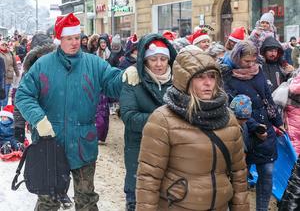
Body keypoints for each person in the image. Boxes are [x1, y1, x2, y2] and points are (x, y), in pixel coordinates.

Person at [15, 13, 138, 211]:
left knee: (87, 199)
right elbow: (23, 95)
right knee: (48, 201)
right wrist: (39, 119)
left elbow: (112, 84)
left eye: (76, 38)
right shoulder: (43, 66)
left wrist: (126, 75)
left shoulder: (93, 64)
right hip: (49, 144)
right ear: (60, 40)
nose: (74, 43)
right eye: (68, 38)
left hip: (83, 144)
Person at [136, 49, 249, 210]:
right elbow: (149, 178)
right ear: (185, 80)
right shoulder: (163, 120)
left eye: (212, 76)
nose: (208, 83)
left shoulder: (229, 119)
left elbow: (239, 175)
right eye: (200, 77)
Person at [222, 40, 283, 211]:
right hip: (244, 132)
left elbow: (267, 98)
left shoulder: (258, 71)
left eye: (253, 60)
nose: (250, 65)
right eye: (246, 61)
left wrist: (277, 121)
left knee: (268, 172)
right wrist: (255, 127)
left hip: (265, 127)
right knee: (240, 176)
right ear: (236, 58)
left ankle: (262, 209)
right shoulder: (227, 76)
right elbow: (232, 108)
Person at [120, 34, 177, 211]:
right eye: (153, 59)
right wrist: (165, 121)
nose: (159, 64)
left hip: (172, 157)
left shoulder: (178, 83)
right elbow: (129, 117)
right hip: (140, 153)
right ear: (145, 61)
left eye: (163, 59)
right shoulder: (133, 81)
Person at [0, 41, 20, 108]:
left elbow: (15, 65)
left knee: (5, 95)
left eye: (6, 44)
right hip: (1, 78)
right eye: (2, 44)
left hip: (8, 77)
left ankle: (4, 112)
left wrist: (18, 74)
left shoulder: (10, 53)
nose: (4, 46)